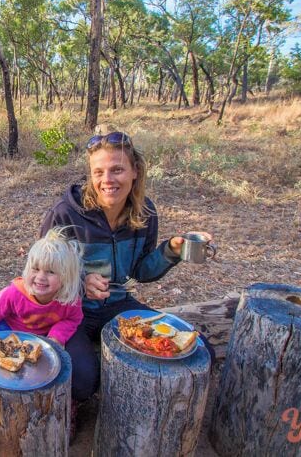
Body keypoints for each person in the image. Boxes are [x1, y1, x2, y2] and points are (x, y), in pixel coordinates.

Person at [39, 125, 213, 403]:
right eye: (98, 172)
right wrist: (80, 283)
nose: (107, 180)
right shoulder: (65, 214)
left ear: (135, 171)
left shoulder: (146, 212)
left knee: (200, 350)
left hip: (118, 307)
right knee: (83, 382)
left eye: (117, 170)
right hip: (69, 310)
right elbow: (39, 277)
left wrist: (171, 250)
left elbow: (140, 271)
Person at [0, 227, 83, 346]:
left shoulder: (70, 301)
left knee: (59, 354)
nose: (41, 277)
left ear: (67, 277)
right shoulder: (14, 294)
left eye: (50, 272)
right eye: (36, 269)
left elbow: (72, 319)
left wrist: (56, 337)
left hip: (43, 336)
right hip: (10, 328)